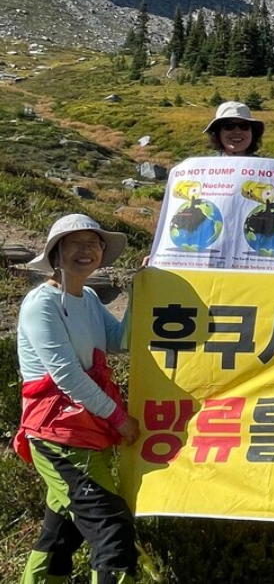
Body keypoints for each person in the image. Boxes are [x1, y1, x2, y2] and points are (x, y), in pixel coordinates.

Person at [15, 214, 141, 584]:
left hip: (87, 427)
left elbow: (120, 340)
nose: (86, 251)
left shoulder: (86, 297)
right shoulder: (42, 304)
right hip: (58, 435)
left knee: (62, 533)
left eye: (94, 243)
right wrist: (119, 417)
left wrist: (139, 293)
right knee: (111, 527)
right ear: (56, 253)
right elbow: (66, 375)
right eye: (75, 243)